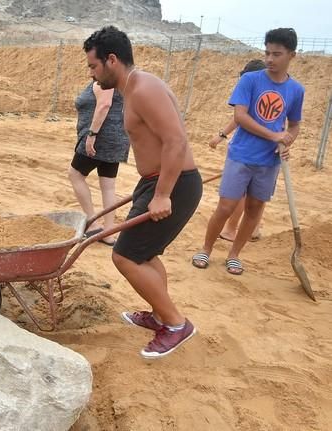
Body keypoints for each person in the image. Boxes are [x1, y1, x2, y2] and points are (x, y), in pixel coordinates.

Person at [84, 26, 202, 359]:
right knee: (145, 254)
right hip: (156, 182)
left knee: (124, 256)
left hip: (173, 184)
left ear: (111, 60)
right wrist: (151, 189)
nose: (92, 75)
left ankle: (176, 324)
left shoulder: (144, 89)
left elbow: (176, 141)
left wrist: (163, 193)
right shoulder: (135, 87)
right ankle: (161, 315)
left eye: (94, 67)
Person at [192, 28, 304, 275]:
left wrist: (288, 141)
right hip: (241, 154)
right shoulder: (250, 80)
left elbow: (294, 125)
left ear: (292, 56)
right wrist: (274, 134)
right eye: (267, 53)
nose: (270, 59)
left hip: (269, 161)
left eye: (277, 54)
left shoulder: (296, 90)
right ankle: (206, 249)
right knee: (226, 206)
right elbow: (240, 116)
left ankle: (234, 255)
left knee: (254, 209)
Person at [209, 59, 267, 242]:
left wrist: (221, 135)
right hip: (267, 152)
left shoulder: (253, 88)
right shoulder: (271, 91)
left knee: (241, 193)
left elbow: (240, 117)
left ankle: (231, 229)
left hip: (247, 150)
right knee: (257, 195)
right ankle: (254, 228)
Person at [69, 78, 130, 246]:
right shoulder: (115, 82)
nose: (90, 68)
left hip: (100, 139)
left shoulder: (104, 82)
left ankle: (92, 224)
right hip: (115, 138)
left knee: (75, 174)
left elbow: (104, 104)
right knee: (108, 185)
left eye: (93, 64)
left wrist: (91, 134)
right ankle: (108, 232)